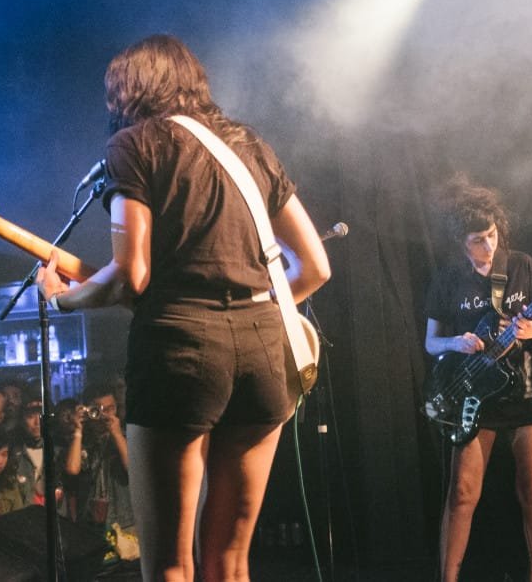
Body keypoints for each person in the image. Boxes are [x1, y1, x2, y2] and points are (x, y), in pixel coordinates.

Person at [36, 34, 330, 581]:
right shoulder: (250, 146)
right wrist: (254, 315)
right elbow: (315, 267)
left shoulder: (133, 145)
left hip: (181, 351)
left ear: (129, 90)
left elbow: (131, 273)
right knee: (232, 560)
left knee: (170, 565)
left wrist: (63, 299)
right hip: (267, 349)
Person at [424, 174, 532, 582]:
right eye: (478, 239)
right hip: (474, 393)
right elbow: (431, 343)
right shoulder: (447, 279)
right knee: (462, 493)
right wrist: (456, 342)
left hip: (527, 389)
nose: (488, 245)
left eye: (492, 234)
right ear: (461, 242)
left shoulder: (522, 266)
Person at [63, 381, 132, 534]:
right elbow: (72, 470)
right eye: (98, 410)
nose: (105, 415)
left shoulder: (126, 439)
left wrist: (117, 433)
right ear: (88, 410)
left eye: (110, 408)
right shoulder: (81, 443)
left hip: (123, 523)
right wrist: (78, 430)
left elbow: (133, 470)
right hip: (90, 524)